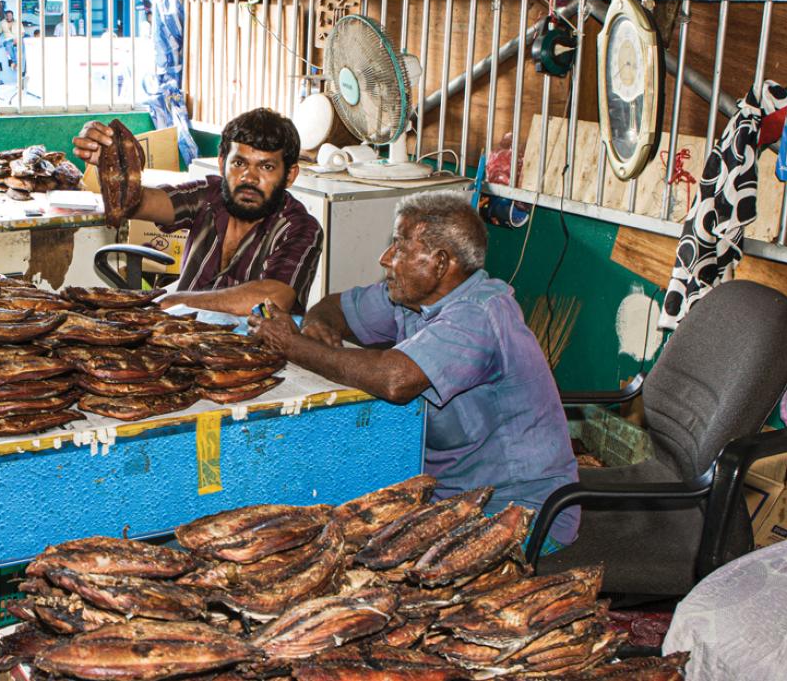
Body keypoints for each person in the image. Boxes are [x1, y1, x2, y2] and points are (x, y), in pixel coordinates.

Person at [248, 191, 580, 548]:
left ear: (440, 263)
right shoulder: (412, 296)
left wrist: (294, 345)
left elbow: (395, 379)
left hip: (516, 513)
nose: (386, 258)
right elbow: (333, 306)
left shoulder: (479, 314)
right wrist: (318, 327)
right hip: (447, 501)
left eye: (400, 247)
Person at [73, 108, 323, 315]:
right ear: (223, 163)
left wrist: (182, 300)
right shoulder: (210, 194)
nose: (249, 177)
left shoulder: (300, 228)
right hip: (185, 342)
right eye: (239, 163)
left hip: (252, 357)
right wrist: (109, 161)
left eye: (266, 167)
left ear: (289, 175)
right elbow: (138, 203)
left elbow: (274, 299)